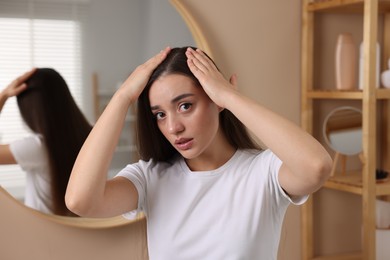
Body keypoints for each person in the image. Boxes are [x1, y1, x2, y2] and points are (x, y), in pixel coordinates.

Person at [65, 46, 332, 259]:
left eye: (185, 106)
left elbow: (316, 166)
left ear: (216, 100)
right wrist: (122, 97)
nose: (173, 127)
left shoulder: (263, 172)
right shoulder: (150, 178)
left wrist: (229, 97)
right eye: (159, 114)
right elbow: (80, 201)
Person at [0, 68, 92, 216]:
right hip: (76, 234)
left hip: (38, 235)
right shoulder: (90, 135)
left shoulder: (37, 147)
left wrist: (3, 95)